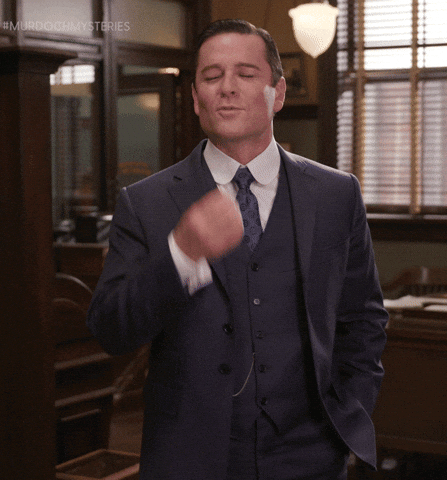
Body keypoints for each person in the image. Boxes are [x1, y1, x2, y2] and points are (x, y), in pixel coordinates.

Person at [87, 19, 388, 480]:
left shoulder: (336, 194)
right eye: (212, 76)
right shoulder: (144, 202)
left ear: (278, 93)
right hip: (189, 459)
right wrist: (181, 254)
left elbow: (363, 319)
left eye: (246, 74)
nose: (227, 88)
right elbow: (110, 329)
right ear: (196, 98)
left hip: (310, 456)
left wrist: (347, 415)